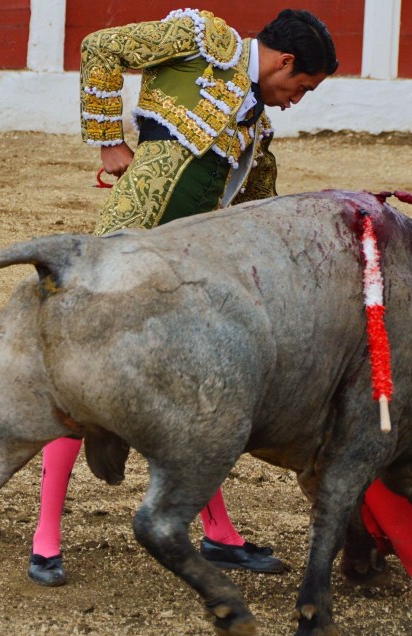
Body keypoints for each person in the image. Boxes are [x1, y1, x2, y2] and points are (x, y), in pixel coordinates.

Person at [28, 8, 339, 586]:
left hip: (186, 275)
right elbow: (100, 47)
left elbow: (259, 216)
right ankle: (45, 539)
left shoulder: (256, 132)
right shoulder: (204, 40)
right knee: (80, 385)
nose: (297, 100)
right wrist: (109, 143)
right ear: (285, 61)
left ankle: (219, 534)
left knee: (200, 396)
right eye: (302, 86)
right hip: (126, 247)